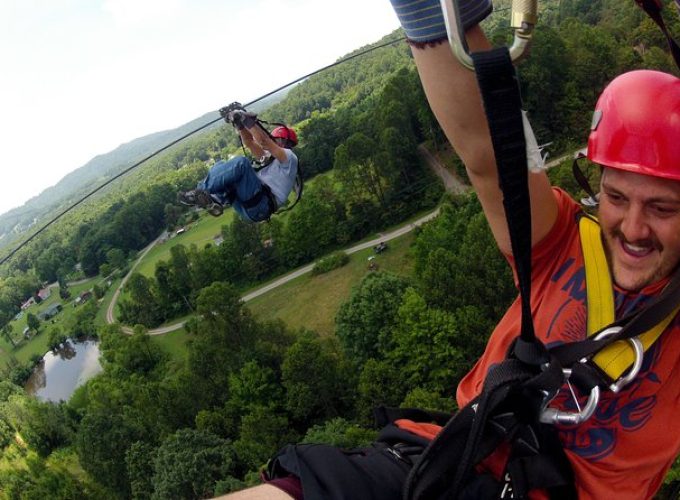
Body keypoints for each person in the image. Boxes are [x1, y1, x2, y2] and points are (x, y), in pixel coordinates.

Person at [219, 1, 680, 498]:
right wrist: (427, 11)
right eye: (615, 197)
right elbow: (487, 152)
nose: (633, 227)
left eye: (662, 208)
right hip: (451, 464)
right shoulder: (567, 240)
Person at [179, 110, 298, 223]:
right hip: (252, 206)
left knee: (241, 163)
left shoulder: (289, 158)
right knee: (222, 166)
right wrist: (239, 124)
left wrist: (246, 119)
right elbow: (249, 142)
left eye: (275, 139)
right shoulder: (270, 158)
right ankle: (214, 200)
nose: (273, 141)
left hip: (261, 204)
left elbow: (264, 141)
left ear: (283, 141)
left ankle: (199, 192)